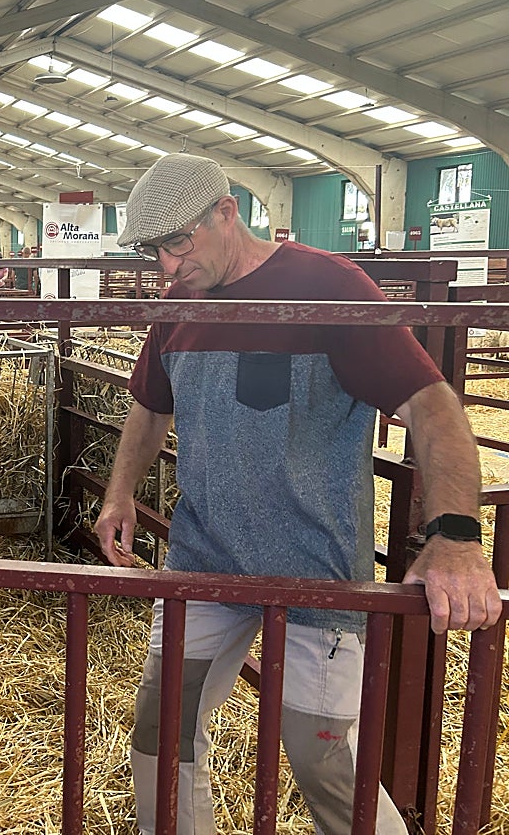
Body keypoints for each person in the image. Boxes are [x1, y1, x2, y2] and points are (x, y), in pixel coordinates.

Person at [93, 154, 501, 835]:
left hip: (316, 568)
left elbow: (432, 407)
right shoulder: (179, 304)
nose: (166, 266)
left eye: (177, 243)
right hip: (205, 559)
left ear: (227, 213)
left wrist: (456, 536)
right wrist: (119, 494)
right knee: (161, 731)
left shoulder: (328, 287)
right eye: (152, 250)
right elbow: (150, 404)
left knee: (324, 759)